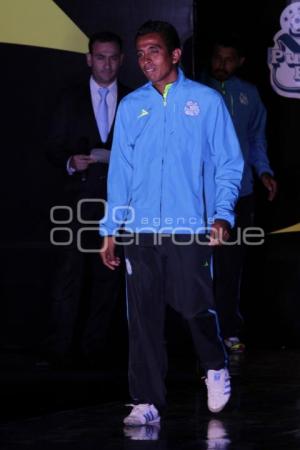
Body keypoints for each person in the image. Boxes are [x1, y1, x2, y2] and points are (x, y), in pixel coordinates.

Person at [100, 20, 244, 425]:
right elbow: (121, 175)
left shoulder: (205, 102)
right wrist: (110, 229)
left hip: (188, 227)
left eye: (154, 51)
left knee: (194, 306)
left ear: (175, 54)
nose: (146, 59)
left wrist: (221, 214)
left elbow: (229, 164)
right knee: (143, 316)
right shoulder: (132, 107)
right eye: (141, 52)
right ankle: (146, 401)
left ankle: (215, 365)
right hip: (141, 230)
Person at [45, 32, 131, 367]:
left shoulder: (133, 100)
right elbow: (52, 146)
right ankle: (60, 351)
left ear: (122, 60)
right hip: (76, 200)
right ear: (88, 58)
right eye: (100, 57)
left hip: (118, 201)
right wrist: (70, 162)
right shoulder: (69, 98)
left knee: (109, 276)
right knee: (68, 275)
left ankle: (96, 349)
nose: (106, 64)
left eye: (112, 57)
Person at [200, 34, 278, 353]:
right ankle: (198, 332)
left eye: (229, 59)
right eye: (218, 58)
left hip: (240, 193)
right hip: (202, 193)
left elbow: (256, 138)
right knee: (198, 265)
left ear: (240, 62)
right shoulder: (196, 91)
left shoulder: (248, 94)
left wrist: (264, 171)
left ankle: (229, 328)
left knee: (232, 265)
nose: (222, 65)